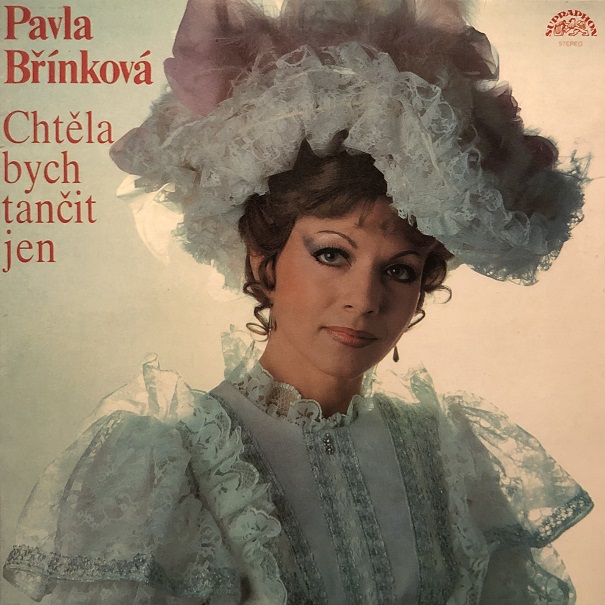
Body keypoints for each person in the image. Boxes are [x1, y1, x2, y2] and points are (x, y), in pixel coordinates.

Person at [3, 0, 594, 603]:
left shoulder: (450, 455)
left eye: (399, 270)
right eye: (332, 254)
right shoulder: (171, 460)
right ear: (265, 262)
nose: (364, 300)